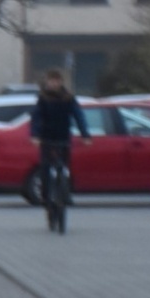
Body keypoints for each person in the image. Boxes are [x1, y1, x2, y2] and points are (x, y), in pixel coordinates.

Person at [27, 69, 91, 207]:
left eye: (57, 81)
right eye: (51, 81)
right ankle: (45, 195)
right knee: (45, 167)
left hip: (63, 137)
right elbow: (36, 118)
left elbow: (78, 116)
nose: (54, 84)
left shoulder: (68, 98)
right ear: (47, 82)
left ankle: (65, 194)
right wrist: (35, 135)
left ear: (61, 82)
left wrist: (85, 134)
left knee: (64, 167)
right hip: (47, 137)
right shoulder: (42, 99)